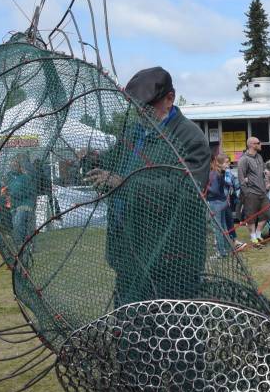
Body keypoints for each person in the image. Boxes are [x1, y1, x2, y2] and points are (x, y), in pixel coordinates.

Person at [85, 66, 211, 305]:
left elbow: (187, 191)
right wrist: (91, 162)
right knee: (129, 329)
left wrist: (125, 183)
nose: (141, 113)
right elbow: (112, 167)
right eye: (137, 107)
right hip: (129, 255)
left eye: (147, 106)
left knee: (171, 335)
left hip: (171, 260)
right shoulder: (134, 134)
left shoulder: (190, 138)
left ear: (169, 99)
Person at [207, 152, 244, 253]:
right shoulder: (219, 173)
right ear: (219, 163)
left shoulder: (215, 173)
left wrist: (205, 188)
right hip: (222, 202)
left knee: (219, 228)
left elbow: (214, 190)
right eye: (226, 162)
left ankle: (221, 252)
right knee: (223, 227)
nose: (228, 164)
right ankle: (226, 249)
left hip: (216, 202)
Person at [237, 136, 268, 249]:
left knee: (267, 214)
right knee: (251, 217)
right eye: (258, 143)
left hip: (262, 192)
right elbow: (241, 178)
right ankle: (253, 237)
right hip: (251, 193)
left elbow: (264, 170)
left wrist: (266, 175)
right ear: (251, 145)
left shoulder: (259, 157)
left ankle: (259, 235)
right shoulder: (243, 159)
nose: (261, 144)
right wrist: (246, 192)